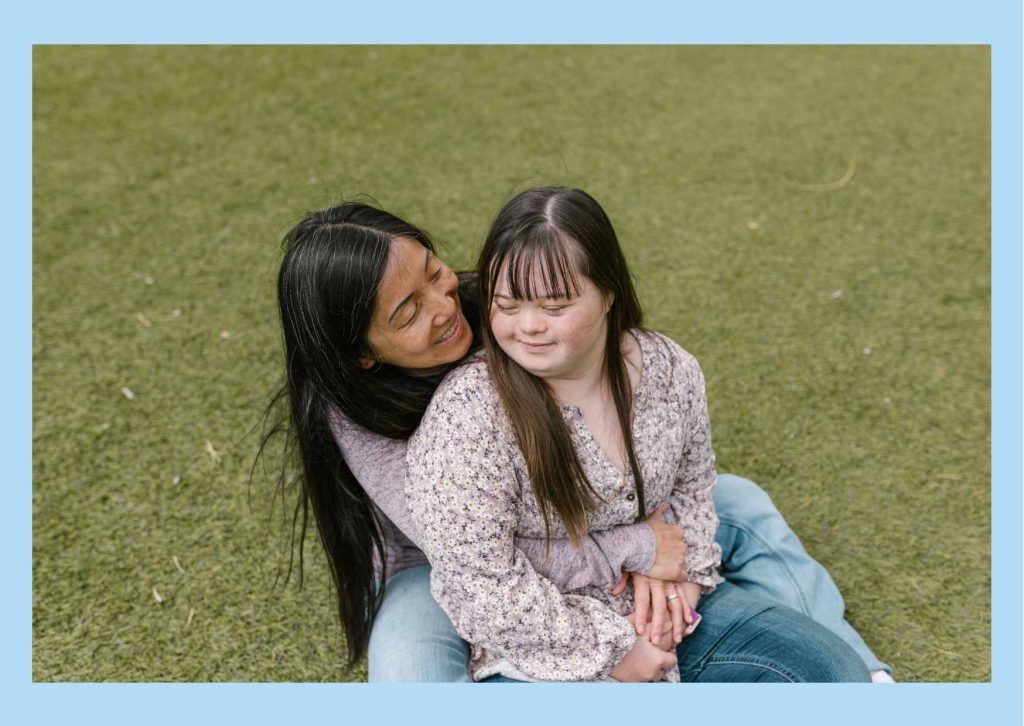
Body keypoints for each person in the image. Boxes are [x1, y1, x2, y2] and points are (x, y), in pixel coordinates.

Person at [265, 198, 892, 682]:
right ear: (361, 357)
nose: (445, 304)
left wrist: (662, 542)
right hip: (444, 565)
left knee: (741, 504)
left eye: (434, 272)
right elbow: (475, 557)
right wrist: (638, 547)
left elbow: (637, 424)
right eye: (407, 311)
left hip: (582, 512)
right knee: (410, 670)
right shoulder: (353, 413)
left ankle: (864, 673)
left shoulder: (506, 307)